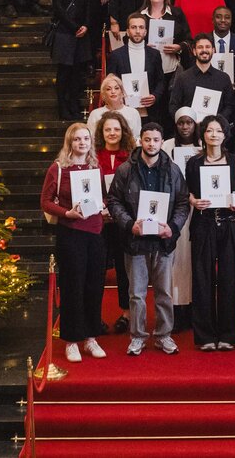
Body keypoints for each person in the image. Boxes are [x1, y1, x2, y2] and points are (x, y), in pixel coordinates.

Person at [107, 121, 190, 357]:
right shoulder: (126, 170)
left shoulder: (173, 170)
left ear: (162, 142)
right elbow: (113, 201)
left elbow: (183, 203)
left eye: (155, 140)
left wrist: (172, 228)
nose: (151, 144)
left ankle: (164, 335)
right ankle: (137, 336)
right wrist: (129, 224)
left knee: (164, 292)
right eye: (147, 139)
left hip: (163, 242)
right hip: (135, 243)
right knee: (137, 294)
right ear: (139, 141)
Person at [40, 123, 105, 363]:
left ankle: (90, 338)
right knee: (72, 287)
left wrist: (103, 206)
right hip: (71, 234)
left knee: (93, 287)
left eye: (86, 139)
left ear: (91, 142)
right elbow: (46, 202)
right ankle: (71, 340)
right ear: (70, 142)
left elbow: (102, 197)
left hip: (95, 233)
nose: (82, 143)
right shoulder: (58, 169)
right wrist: (67, 213)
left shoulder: (95, 168)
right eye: (77, 139)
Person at [185, 115, 235, 350]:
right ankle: (205, 336)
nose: (213, 135)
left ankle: (229, 335)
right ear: (203, 134)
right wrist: (193, 201)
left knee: (230, 278)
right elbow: (187, 191)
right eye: (209, 130)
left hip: (229, 222)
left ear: (224, 134)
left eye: (218, 130)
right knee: (202, 279)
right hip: (203, 222)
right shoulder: (194, 163)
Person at [93, 111, 136, 335]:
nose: (112, 133)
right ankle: (94, 316)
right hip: (98, 220)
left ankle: (126, 314)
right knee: (97, 268)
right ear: (101, 132)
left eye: (116, 129)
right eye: (108, 129)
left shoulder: (131, 156)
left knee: (123, 268)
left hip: (122, 221)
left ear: (123, 132)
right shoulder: (92, 156)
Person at [162, 107, 201, 332]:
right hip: (174, 209)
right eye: (181, 123)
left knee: (193, 260)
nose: (185, 126)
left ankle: (194, 310)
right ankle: (175, 311)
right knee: (176, 263)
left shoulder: (201, 147)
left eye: (189, 122)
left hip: (197, 208)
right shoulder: (167, 146)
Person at [49, 0, 92, 120]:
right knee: (64, 72)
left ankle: (74, 105)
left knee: (77, 72)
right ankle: (62, 106)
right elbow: (58, 9)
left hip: (80, 33)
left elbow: (88, 7)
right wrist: (75, 27)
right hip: (65, 33)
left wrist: (86, 26)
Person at [106, 12, 166, 124]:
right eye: (134, 27)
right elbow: (110, 82)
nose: (138, 31)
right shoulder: (116, 55)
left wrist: (154, 96)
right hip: (123, 112)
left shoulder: (154, 54)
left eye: (141, 27)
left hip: (150, 113)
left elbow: (161, 81)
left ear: (146, 31)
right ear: (128, 31)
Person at [168, 34, 235, 124]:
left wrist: (216, 122)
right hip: (189, 132)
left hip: (215, 131)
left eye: (208, 47)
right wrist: (186, 122)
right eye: (200, 47)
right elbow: (173, 106)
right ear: (194, 51)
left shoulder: (224, 78)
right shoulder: (183, 78)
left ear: (213, 51)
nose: (204, 50)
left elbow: (229, 106)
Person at [87, 73, 142, 140]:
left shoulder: (133, 113)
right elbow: (91, 139)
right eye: (108, 89)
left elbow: (137, 138)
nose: (113, 91)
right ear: (103, 94)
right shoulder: (95, 114)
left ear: (122, 92)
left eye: (116, 88)